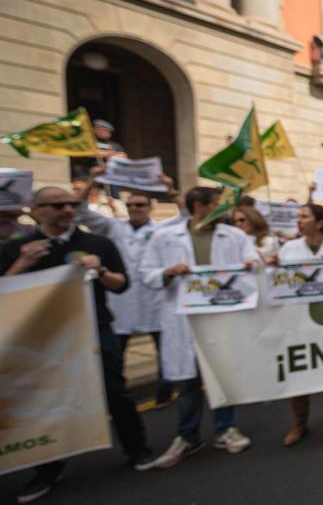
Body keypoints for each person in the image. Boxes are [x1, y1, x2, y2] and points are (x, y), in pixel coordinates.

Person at [0, 187, 155, 503]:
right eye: (57, 205)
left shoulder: (96, 243)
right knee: (43, 402)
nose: (67, 210)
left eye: (71, 204)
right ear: (35, 209)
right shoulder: (16, 248)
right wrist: (22, 265)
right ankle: (48, 468)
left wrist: (101, 271)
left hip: (95, 330)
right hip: (40, 339)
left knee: (116, 392)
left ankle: (137, 448)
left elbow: (121, 285)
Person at [141, 186, 257, 467]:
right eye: (217, 204)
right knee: (189, 381)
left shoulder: (235, 235)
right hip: (185, 317)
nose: (224, 210)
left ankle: (225, 429)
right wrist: (168, 272)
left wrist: (253, 262)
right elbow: (146, 272)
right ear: (199, 206)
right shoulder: (165, 237)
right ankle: (187, 435)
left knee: (222, 372)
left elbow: (254, 260)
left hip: (220, 313)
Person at [76, 168, 180, 410]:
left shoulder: (163, 229)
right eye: (131, 205)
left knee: (164, 351)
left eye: (140, 205)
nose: (135, 209)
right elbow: (80, 212)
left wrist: (170, 188)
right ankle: (117, 398)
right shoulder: (113, 228)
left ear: (150, 207)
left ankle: (163, 393)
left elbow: (187, 214)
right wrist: (94, 180)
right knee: (114, 356)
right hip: (121, 302)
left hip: (154, 300)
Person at [276, 204, 323, 445]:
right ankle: (300, 422)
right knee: (299, 369)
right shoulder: (288, 249)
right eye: (298, 216)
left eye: (304, 216)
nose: (299, 220)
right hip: (297, 320)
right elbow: (278, 281)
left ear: (319, 222)